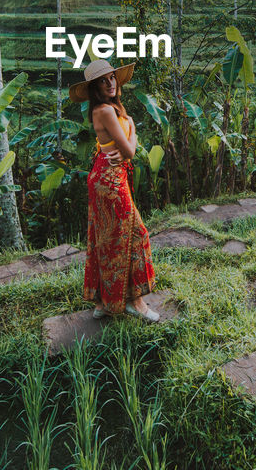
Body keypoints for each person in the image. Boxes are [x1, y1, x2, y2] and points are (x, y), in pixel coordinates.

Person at [69, 59, 159, 322]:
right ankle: (136, 303)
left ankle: (102, 302)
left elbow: (113, 147)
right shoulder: (106, 111)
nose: (110, 83)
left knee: (105, 235)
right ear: (95, 88)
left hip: (109, 174)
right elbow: (130, 151)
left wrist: (122, 142)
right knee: (133, 233)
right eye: (103, 81)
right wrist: (133, 130)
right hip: (109, 179)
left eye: (112, 78)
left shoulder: (111, 109)